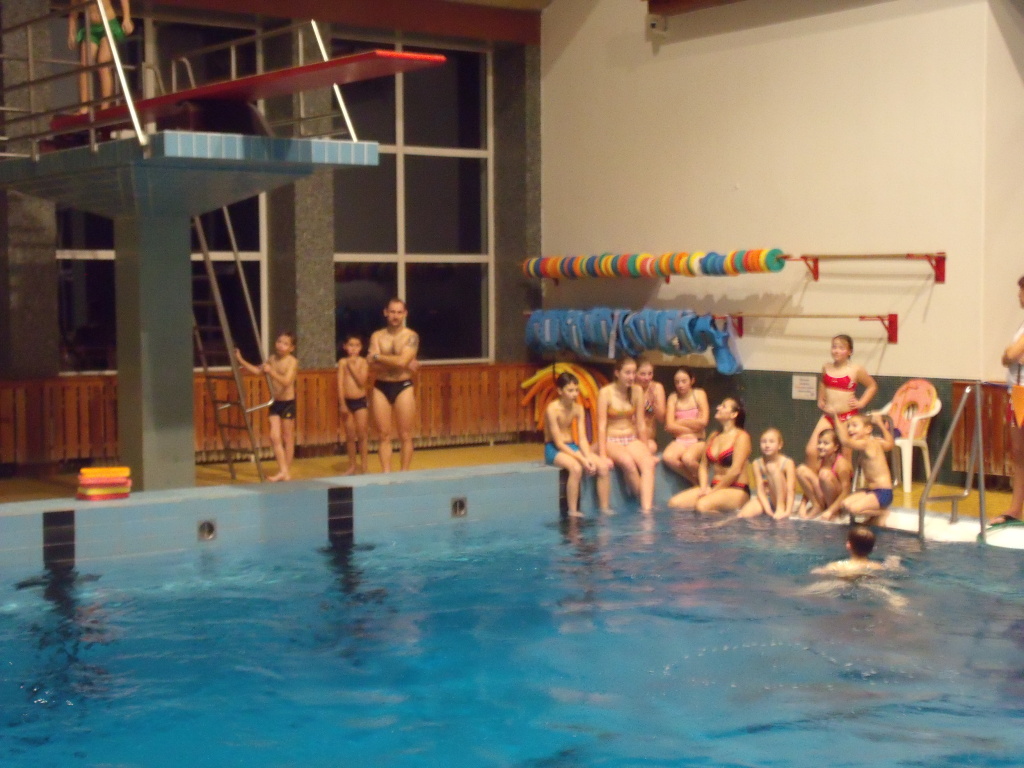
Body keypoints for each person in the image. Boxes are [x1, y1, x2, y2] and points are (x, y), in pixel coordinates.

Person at [544, 372, 614, 517]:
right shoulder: (552, 409)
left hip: (571, 445)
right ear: (560, 391)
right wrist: (582, 459)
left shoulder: (578, 408)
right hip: (554, 448)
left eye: (576, 390)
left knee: (602, 466)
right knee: (576, 468)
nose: (575, 394)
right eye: (570, 390)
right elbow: (558, 443)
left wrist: (587, 457)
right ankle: (573, 511)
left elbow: (582, 439)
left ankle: (604, 508)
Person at [805, 334, 877, 469]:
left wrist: (861, 402)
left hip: (846, 417)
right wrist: (820, 397)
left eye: (841, 348)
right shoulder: (826, 367)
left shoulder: (856, 369)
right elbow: (823, 382)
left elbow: (872, 386)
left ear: (850, 351)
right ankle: (812, 481)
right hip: (829, 416)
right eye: (834, 347)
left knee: (845, 454)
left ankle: (845, 482)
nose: (836, 351)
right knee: (811, 450)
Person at [596, 357, 658, 513]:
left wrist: (646, 450)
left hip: (630, 437)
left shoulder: (637, 391)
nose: (631, 377)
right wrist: (603, 455)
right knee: (627, 462)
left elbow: (641, 424)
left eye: (633, 373)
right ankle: (643, 501)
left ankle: (647, 511)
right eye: (627, 373)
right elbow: (601, 427)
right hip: (612, 439)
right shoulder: (605, 393)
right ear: (617, 373)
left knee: (648, 463)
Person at [668, 397, 751, 513]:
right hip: (714, 487)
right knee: (674, 503)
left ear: (734, 414)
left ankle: (725, 522)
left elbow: (735, 470)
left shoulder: (742, 437)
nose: (718, 408)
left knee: (702, 506)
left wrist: (713, 491)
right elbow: (703, 466)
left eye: (724, 406)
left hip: (737, 489)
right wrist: (703, 488)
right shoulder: (714, 436)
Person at [235, 332, 298, 482]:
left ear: (292, 348)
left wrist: (271, 372)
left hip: (288, 403)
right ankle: (283, 471)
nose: (281, 345)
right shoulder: (272, 359)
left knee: (287, 437)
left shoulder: (292, 361)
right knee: (274, 436)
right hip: (275, 402)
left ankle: (286, 471)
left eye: (285, 343)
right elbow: (258, 371)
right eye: (279, 342)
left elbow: (286, 381)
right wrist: (240, 359)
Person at [368, 298, 418, 472]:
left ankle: (404, 473)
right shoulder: (377, 336)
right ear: (386, 313)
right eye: (392, 312)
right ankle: (386, 474)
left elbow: (402, 361)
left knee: (405, 434)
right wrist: (400, 363)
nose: (395, 316)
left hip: (403, 385)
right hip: (381, 386)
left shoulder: (411, 337)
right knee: (383, 435)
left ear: (405, 314)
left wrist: (378, 357)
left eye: (399, 312)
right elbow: (371, 365)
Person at [994, 275, 1024, 525]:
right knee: (1018, 453)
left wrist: (1009, 354)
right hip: (1017, 393)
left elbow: (1011, 354)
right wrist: (1009, 355)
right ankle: (1015, 509)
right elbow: (1008, 358)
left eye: (1021, 291)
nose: (1018, 296)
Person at [67, 0, 134, 113]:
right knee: (84, 66)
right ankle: (84, 107)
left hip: (109, 25)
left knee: (103, 62)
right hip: (91, 27)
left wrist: (126, 18)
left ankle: (105, 106)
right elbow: (73, 11)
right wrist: (71, 32)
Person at [832, 411, 894, 526]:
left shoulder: (866, 443)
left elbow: (845, 441)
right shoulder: (875, 441)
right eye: (848, 426)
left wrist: (835, 416)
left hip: (883, 492)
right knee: (844, 504)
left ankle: (882, 513)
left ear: (868, 429)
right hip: (871, 491)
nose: (850, 429)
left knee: (853, 509)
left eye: (854, 425)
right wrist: (880, 424)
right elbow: (890, 444)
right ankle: (874, 517)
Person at [661, 367, 709, 485]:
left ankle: (706, 481)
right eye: (677, 382)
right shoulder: (673, 397)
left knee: (688, 458)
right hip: (680, 440)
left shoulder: (699, 394)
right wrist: (693, 426)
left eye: (684, 381)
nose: (680, 385)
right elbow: (669, 426)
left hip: (698, 440)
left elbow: (703, 422)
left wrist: (680, 422)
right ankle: (696, 482)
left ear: (692, 380)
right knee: (668, 457)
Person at [738, 427, 796, 519]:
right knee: (742, 515)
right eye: (763, 442)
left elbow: (790, 490)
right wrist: (768, 510)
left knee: (771, 467)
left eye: (771, 442)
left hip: (782, 499)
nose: (767, 445)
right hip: (767, 499)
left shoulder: (787, 462)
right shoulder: (757, 463)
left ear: (780, 445)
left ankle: (780, 507)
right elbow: (760, 490)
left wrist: (788, 511)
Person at [796, 428, 852, 519]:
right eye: (819, 443)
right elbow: (810, 485)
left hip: (838, 503)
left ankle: (833, 512)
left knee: (824, 474)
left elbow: (846, 492)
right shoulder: (820, 461)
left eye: (826, 443)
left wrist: (831, 510)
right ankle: (817, 506)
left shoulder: (842, 465)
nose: (821, 446)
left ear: (836, 447)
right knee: (801, 470)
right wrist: (803, 504)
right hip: (824, 497)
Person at [337, 334, 370, 476]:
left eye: (357, 345)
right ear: (345, 347)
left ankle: (364, 466)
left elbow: (362, 382)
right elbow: (340, 384)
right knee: (350, 435)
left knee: (362, 434)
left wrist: (352, 366)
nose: (354, 348)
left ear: (361, 347)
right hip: (347, 402)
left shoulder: (363, 362)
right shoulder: (342, 362)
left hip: (360, 401)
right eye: (351, 345)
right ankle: (352, 465)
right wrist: (342, 403)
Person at [635, 358, 666, 455]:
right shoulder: (630, 388)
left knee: (651, 447)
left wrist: (654, 403)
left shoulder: (656, 388)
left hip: (648, 439)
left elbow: (662, 419)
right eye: (642, 374)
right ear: (635, 374)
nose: (647, 378)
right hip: (630, 437)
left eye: (650, 374)